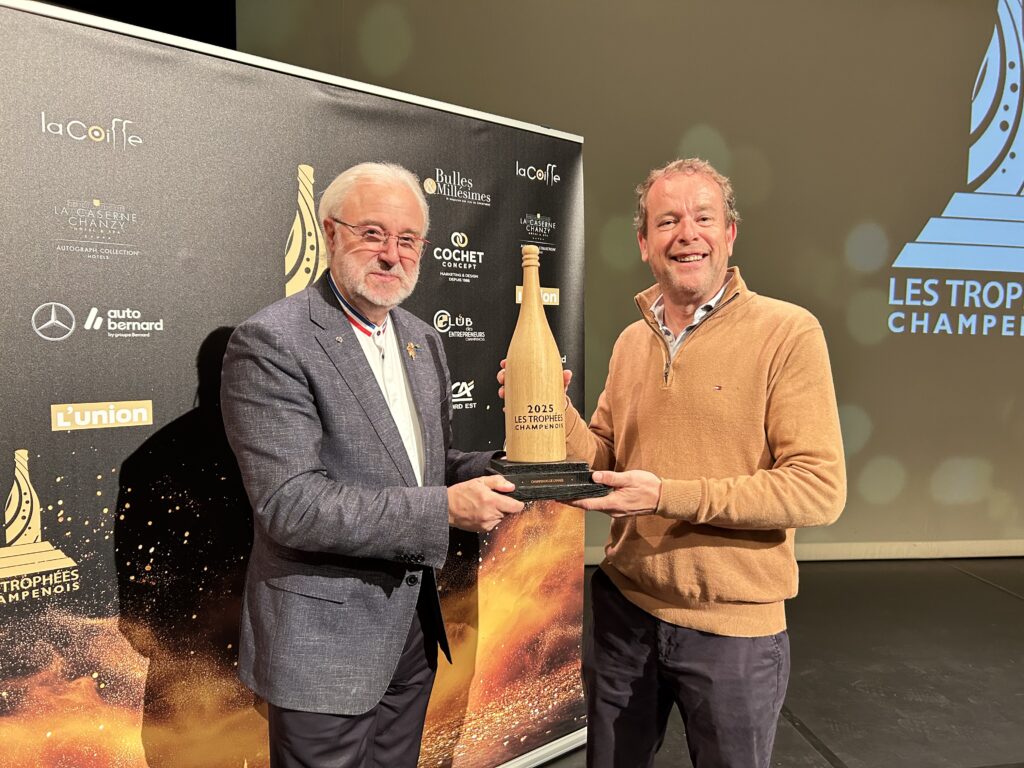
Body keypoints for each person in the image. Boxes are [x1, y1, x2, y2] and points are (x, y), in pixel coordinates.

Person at [221, 161, 523, 768]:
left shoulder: (421, 337)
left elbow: (427, 466)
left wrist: (513, 465)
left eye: (408, 239)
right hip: (324, 645)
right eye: (373, 234)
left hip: (412, 629)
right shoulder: (273, 341)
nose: (392, 254)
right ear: (331, 233)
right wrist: (445, 509)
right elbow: (291, 504)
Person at [568, 158, 846, 767]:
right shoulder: (631, 341)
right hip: (624, 613)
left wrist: (667, 494)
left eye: (703, 218)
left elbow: (817, 489)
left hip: (734, 635)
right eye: (667, 221)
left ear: (730, 234)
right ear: (644, 243)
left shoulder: (788, 332)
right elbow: (603, 458)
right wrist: (551, 411)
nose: (686, 234)